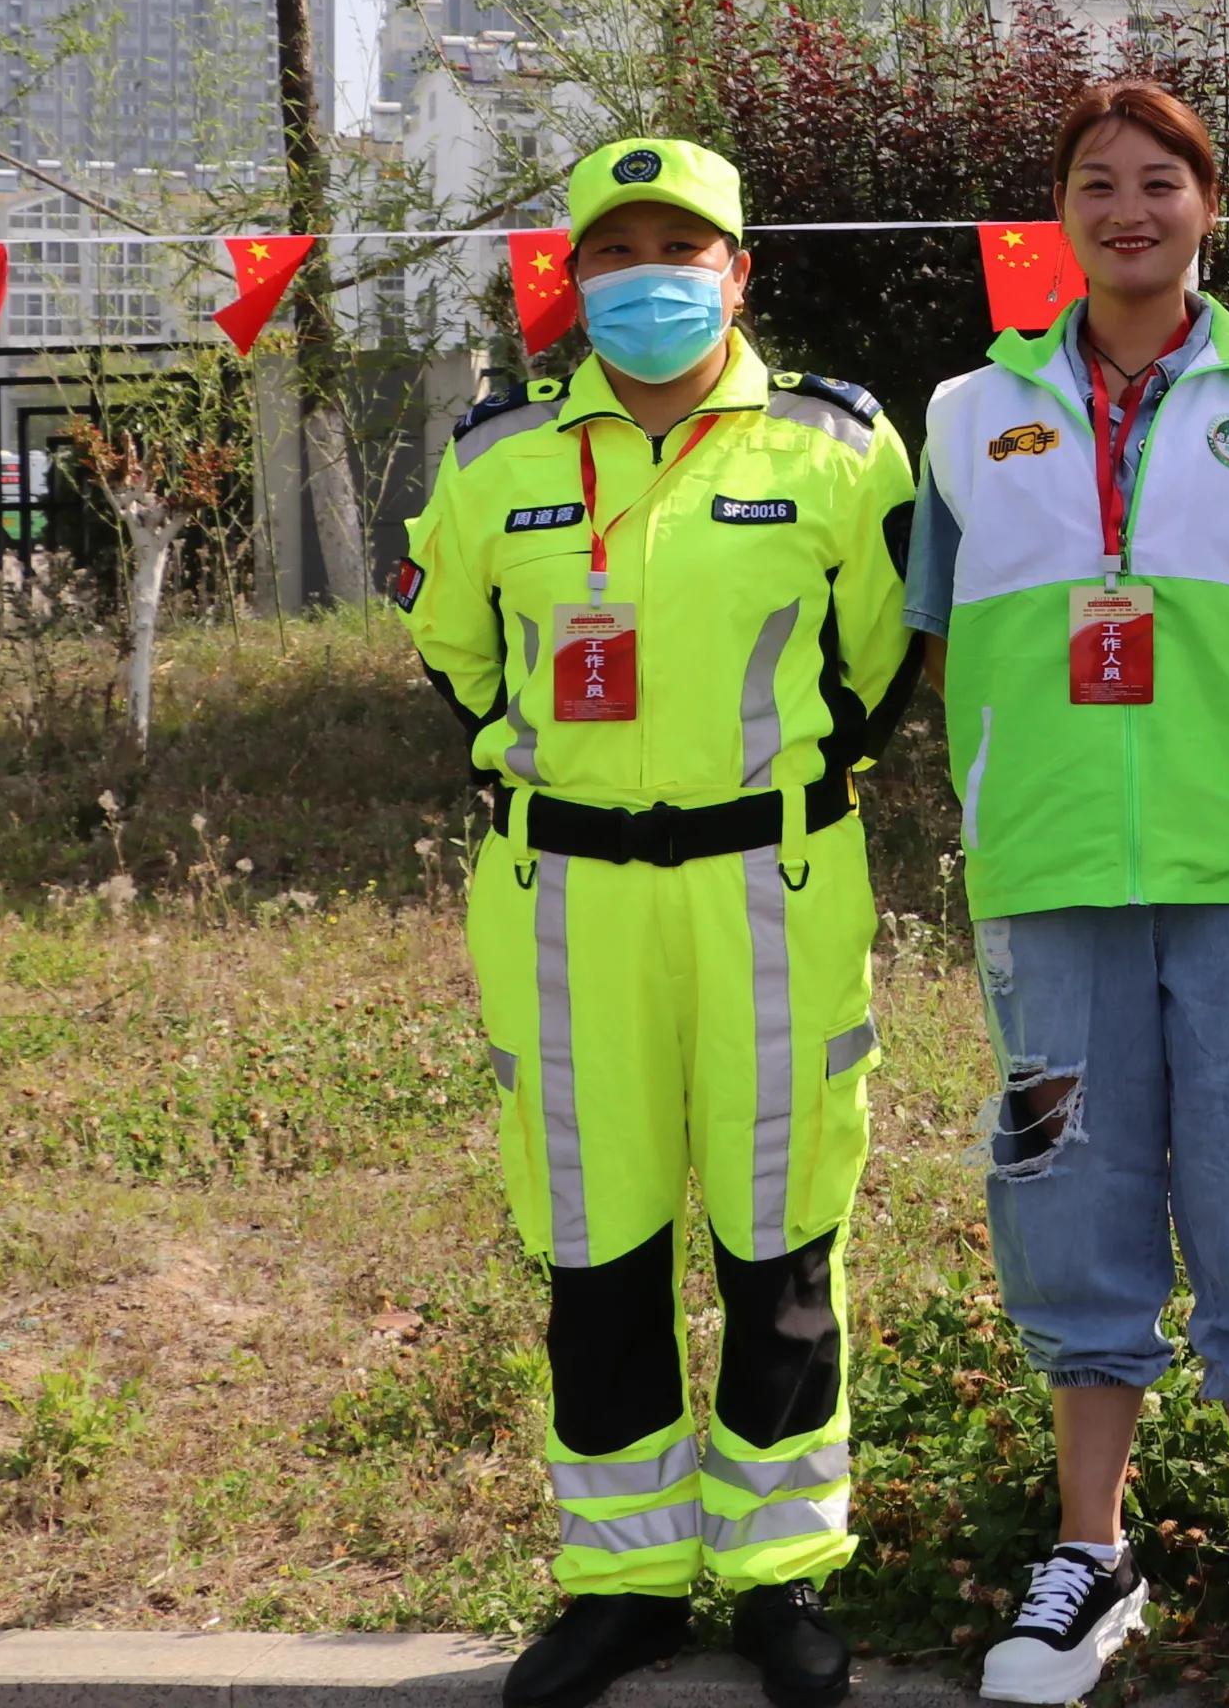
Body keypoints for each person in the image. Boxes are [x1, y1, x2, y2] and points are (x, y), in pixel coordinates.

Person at [401, 138, 915, 1708]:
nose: (648, 282)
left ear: (739, 273)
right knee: (597, 1239)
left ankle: (777, 1575)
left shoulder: (836, 448)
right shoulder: (494, 462)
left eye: (679, 253)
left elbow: (876, 673)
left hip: (772, 890)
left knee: (779, 1240)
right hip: (565, 907)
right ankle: (619, 1581)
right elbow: (458, 662)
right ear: (573, 282)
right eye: (614, 256)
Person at [905, 79, 1229, 1706]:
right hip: (1049, 880)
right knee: (1065, 1192)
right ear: (1058, 213)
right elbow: (944, 642)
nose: (1129, 209)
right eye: (1096, 183)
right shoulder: (968, 412)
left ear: (1210, 205)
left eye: (1160, 181)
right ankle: (1089, 1553)